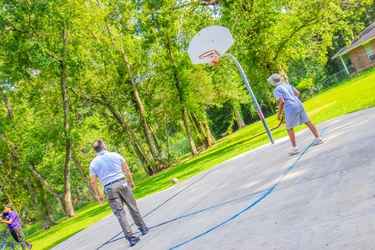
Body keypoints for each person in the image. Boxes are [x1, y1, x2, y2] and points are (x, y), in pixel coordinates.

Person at [90, 140, 148, 247]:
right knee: (132, 206)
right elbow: (127, 169)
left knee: (120, 213)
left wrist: (98, 195)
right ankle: (143, 228)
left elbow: (93, 181)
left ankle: (130, 237)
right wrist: (131, 182)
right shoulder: (115, 155)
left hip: (109, 188)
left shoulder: (93, 163)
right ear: (103, 146)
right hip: (122, 183)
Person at [268, 73, 324, 155]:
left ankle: (295, 148)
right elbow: (297, 93)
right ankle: (318, 139)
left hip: (290, 108)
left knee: (289, 128)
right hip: (298, 104)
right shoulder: (287, 85)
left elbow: (282, 102)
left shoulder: (277, 90)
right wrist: (294, 100)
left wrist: (279, 114)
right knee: (307, 121)